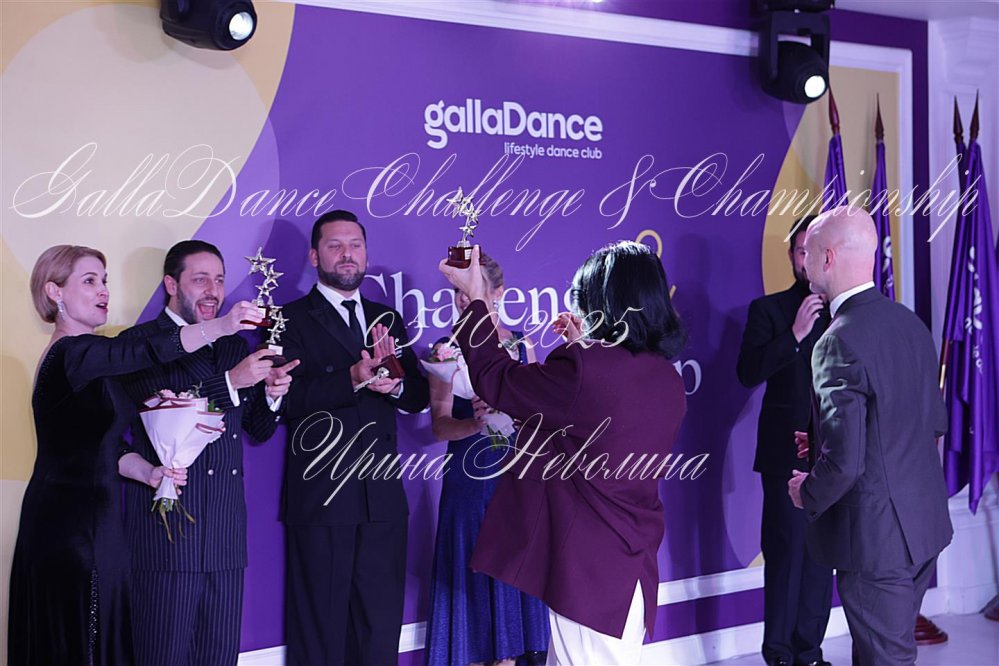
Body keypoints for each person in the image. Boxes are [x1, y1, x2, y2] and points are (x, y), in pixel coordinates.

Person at [8, 245, 261, 665]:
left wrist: (148, 472)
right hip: (70, 526)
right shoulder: (73, 353)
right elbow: (145, 351)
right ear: (55, 292)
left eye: (104, 280)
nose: (103, 290)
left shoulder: (91, 357)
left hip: (100, 521)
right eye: (89, 281)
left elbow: (101, 445)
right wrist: (219, 326)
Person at [439, 241, 688, 665]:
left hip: (588, 573)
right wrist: (583, 349)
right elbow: (592, 419)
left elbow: (497, 379)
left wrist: (476, 298)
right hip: (629, 567)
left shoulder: (587, 370)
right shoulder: (665, 377)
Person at [117, 240, 298, 665]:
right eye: (200, 280)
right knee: (161, 656)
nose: (213, 291)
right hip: (167, 536)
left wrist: (272, 395)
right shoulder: (141, 343)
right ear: (171, 285)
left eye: (219, 280)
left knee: (219, 657)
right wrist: (232, 383)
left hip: (225, 536)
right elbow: (165, 407)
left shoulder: (234, 345)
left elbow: (257, 430)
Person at [787, 206, 953, 666]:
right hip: (922, 526)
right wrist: (826, 441)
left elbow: (846, 463)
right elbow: (927, 425)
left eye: (809, 252)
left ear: (828, 258)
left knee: (885, 659)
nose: (803, 262)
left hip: (876, 541)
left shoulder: (836, 339)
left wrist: (807, 490)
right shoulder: (910, 324)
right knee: (877, 653)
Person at [280, 210, 429, 665]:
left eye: (355, 245)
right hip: (323, 498)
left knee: (379, 632)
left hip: (382, 499)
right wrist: (351, 378)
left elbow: (418, 393)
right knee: (321, 636)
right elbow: (284, 401)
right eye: (335, 246)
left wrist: (395, 386)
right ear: (314, 256)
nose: (347, 255)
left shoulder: (387, 318)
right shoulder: (290, 319)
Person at [424, 253, 549, 666]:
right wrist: (475, 423)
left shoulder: (521, 346)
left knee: (511, 589)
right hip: (468, 484)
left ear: (497, 293)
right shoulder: (444, 351)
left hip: (515, 481)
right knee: (472, 595)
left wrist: (514, 414)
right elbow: (440, 426)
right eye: (457, 293)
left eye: (470, 291)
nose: (463, 300)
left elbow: (539, 420)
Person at [736, 216, 832, 666]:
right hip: (785, 455)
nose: (806, 259)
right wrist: (793, 334)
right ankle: (778, 653)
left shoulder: (846, 312)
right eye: (800, 251)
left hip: (836, 454)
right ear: (793, 256)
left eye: (814, 251)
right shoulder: (769, 310)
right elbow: (747, 373)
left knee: (821, 557)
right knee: (786, 554)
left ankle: (810, 652)